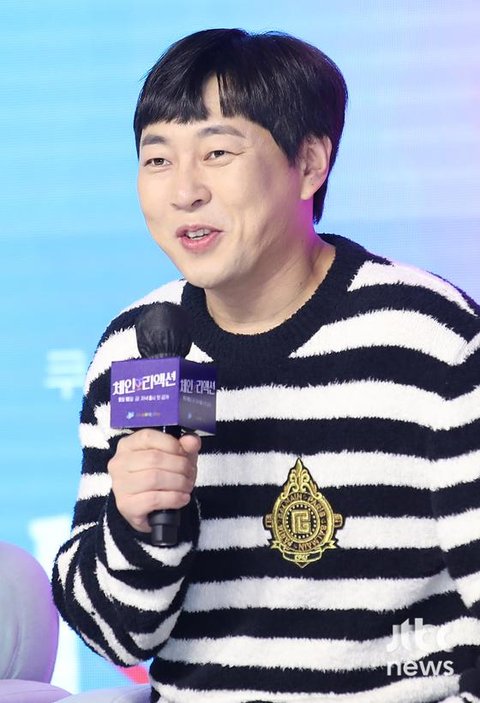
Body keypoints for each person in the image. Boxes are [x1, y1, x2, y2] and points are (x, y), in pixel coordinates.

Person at [52, 28, 480, 703]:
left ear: (309, 164)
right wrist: (135, 527)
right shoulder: (136, 348)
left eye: (217, 152)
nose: (183, 191)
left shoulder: (432, 338)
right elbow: (114, 638)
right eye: (157, 158)